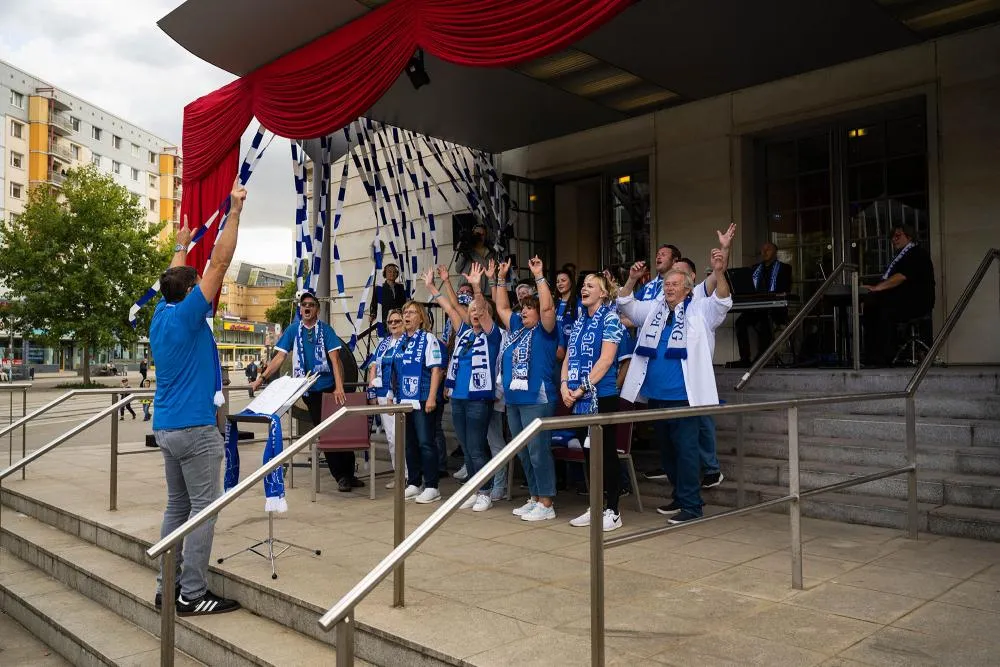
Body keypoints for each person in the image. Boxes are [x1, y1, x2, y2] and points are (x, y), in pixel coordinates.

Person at [149, 177, 246, 616]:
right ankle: (191, 593)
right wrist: (236, 211)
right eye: (196, 289)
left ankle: (164, 585)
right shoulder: (189, 314)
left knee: (177, 507)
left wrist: (182, 246)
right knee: (204, 509)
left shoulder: (159, 314)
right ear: (190, 295)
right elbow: (220, 265)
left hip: (167, 427)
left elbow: (172, 279)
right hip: (195, 429)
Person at [618, 246, 733, 524]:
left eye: (675, 284)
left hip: (684, 398)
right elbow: (625, 305)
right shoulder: (654, 309)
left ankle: (692, 506)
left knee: (686, 454)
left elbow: (722, 301)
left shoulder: (699, 309)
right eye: (667, 284)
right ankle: (681, 496)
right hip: (656, 397)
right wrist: (632, 280)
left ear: (688, 288)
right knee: (668, 456)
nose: (669, 288)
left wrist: (719, 270)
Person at [251, 290, 351, 489]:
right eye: (304, 304)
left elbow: (335, 360)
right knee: (325, 432)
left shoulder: (326, 330)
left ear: (317, 310)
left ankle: (348, 473)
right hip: (310, 392)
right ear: (300, 309)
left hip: (330, 389)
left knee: (339, 430)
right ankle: (341, 476)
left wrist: (339, 387)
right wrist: (261, 378)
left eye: (311, 305)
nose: (307, 307)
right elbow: (279, 357)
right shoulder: (293, 330)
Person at [426, 263, 502, 512]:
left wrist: (478, 289)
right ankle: (473, 487)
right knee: (467, 448)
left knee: (478, 447)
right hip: (458, 397)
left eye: (478, 311)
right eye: (470, 311)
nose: (474, 313)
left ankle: (485, 491)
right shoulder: (465, 332)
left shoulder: (492, 336)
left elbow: (480, 307)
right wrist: (433, 285)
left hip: (479, 398)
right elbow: (449, 307)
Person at [495, 255, 560, 521]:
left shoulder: (546, 330)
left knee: (537, 450)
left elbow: (547, 310)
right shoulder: (517, 329)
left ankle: (547, 502)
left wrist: (539, 276)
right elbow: (500, 308)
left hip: (537, 397)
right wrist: (500, 278)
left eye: (528, 308)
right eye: (522, 308)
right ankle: (534, 497)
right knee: (522, 451)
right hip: (515, 398)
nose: (523, 311)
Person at [561, 273, 626, 532]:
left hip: (603, 396)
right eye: (583, 285)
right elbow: (567, 357)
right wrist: (565, 385)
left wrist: (580, 389)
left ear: (604, 293)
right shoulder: (578, 322)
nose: (584, 289)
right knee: (589, 454)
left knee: (606, 453)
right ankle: (596, 505)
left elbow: (606, 359)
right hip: (577, 398)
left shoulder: (610, 318)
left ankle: (613, 510)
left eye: (591, 286)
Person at [393, 300, 446, 503]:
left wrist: (432, 396)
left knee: (426, 442)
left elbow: (435, 369)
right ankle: (414, 482)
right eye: (405, 311)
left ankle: (432, 485)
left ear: (421, 317)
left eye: (412, 312)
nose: (407, 315)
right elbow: (395, 370)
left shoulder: (428, 339)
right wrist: (392, 394)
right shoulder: (400, 342)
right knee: (410, 444)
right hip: (404, 399)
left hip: (423, 397)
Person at [863, 224, 935, 366]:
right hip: (901, 299)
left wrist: (877, 288)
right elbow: (889, 278)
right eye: (892, 237)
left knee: (881, 308)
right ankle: (873, 355)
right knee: (872, 305)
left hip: (917, 301)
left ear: (909, 236)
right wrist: (872, 287)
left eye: (898, 236)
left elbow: (901, 277)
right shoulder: (899, 256)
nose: (894, 240)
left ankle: (884, 356)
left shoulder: (917, 253)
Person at [733, 242, 792, 367]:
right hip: (756, 308)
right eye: (763, 249)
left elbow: (785, 289)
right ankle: (745, 358)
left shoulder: (784, 268)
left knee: (764, 322)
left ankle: (761, 358)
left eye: (768, 249)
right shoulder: (755, 269)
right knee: (740, 323)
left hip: (774, 309)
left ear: (775, 252)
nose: (764, 252)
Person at [367, 308, 405, 489]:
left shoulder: (408, 341)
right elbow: (373, 366)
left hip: (402, 395)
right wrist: (372, 391)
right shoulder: (384, 343)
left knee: (404, 437)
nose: (393, 325)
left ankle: (410, 476)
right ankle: (399, 475)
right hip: (383, 394)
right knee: (391, 437)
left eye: (397, 321)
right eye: (390, 322)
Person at [455, 222, 497, 294]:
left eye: (482, 234)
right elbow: (458, 269)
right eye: (477, 234)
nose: (479, 236)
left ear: (485, 236)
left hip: (485, 291)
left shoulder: (491, 252)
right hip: (467, 289)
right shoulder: (467, 248)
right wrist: (463, 252)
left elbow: (492, 272)